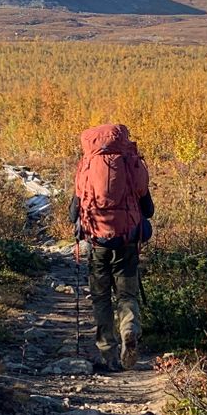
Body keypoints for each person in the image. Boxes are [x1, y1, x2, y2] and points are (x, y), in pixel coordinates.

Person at [71, 122, 155, 373]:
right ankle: (129, 330)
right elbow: (148, 209)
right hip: (127, 241)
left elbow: (73, 211)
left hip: (98, 242)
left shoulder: (86, 166)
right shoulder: (131, 164)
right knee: (127, 295)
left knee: (100, 297)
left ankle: (108, 352)